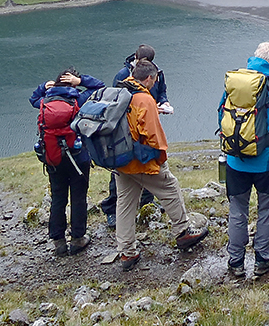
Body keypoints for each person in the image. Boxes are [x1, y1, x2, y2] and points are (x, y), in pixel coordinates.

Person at [114, 58, 208, 271]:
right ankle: (183, 232)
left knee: (125, 204)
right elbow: (153, 135)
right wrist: (161, 160)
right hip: (141, 161)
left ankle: (127, 252)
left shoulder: (121, 90)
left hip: (120, 160)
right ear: (148, 79)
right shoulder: (144, 100)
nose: (155, 84)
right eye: (154, 80)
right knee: (171, 188)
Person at [219, 41, 269, 278]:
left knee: (237, 209)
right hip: (267, 163)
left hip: (235, 161)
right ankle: (264, 257)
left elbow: (222, 117)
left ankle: (235, 261)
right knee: (266, 209)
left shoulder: (233, 85)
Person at [29, 68, 105, 256]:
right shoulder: (79, 99)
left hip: (53, 157)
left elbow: (32, 99)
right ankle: (78, 239)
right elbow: (100, 86)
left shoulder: (44, 102)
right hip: (78, 157)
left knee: (58, 197)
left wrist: (43, 87)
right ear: (72, 83)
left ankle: (58, 242)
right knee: (78, 197)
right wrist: (81, 81)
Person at [100, 44, 171, 227]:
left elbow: (161, 90)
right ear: (136, 59)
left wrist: (163, 102)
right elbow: (114, 102)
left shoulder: (157, 73)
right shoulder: (123, 75)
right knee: (122, 168)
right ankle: (112, 210)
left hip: (146, 121)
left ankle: (146, 204)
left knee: (147, 163)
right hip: (124, 131)